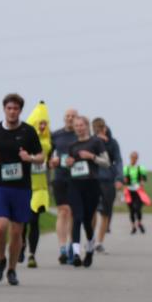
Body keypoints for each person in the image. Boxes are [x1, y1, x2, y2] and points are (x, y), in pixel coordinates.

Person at [0, 93, 44, 286]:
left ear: (20, 110)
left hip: (21, 188)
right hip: (0, 186)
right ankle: (1, 259)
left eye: (16, 109)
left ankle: (11, 269)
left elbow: (41, 156)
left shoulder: (28, 131)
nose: (12, 112)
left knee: (17, 232)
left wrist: (30, 158)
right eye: (9, 108)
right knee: (0, 227)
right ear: (4, 109)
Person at [63, 115, 111, 267]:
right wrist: (68, 163)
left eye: (81, 125)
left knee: (86, 221)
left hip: (91, 185)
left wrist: (92, 156)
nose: (79, 128)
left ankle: (89, 249)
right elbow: (69, 164)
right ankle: (76, 254)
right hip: (75, 185)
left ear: (87, 126)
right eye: (76, 126)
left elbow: (106, 163)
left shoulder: (96, 142)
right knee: (76, 218)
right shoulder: (72, 145)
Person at [21, 101, 52, 268]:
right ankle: (21, 246)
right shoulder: (25, 140)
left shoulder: (49, 143)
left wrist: (53, 162)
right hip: (24, 186)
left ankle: (32, 254)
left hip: (40, 188)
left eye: (44, 123)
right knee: (22, 222)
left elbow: (53, 160)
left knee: (34, 220)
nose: (42, 126)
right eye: (39, 123)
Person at [49, 109, 78, 264]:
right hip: (60, 176)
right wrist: (51, 161)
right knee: (63, 211)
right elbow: (49, 153)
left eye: (73, 116)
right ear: (64, 118)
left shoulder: (80, 134)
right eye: (67, 116)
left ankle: (73, 246)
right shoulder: (57, 135)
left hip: (77, 178)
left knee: (73, 212)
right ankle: (62, 248)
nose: (70, 118)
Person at [92, 119, 123, 254]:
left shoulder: (112, 143)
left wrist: (119, 178)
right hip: (92, 179)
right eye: (96, 128)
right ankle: (90, 239)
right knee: (92, 211)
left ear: (105, 128)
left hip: (108, 180)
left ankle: (99, 242)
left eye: (101, 127)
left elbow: (119, 160)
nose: (99, 130)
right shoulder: (90, 141)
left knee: (105, 212)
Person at [123, 151, 149, 234]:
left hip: (138, 190)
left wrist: (142, 181)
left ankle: (139, 223)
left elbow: (144, 178)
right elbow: (124, 179)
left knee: (137, 208)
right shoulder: (126, 168)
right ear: (130, 158)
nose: (134, 159)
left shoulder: (140, 168)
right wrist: (124, 181)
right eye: (132, 157)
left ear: (137, 158)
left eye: (135, 157)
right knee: (131, 209)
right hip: (129, 190)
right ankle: (133, 226)